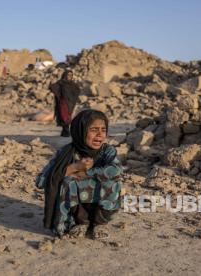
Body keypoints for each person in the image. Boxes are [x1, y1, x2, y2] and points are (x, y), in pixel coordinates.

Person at [35, 109, 122, 239]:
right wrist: (75, 167)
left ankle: (100, 223)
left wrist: (87, 172)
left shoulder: (107, 151)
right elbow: (41, 181)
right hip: (77, 207)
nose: (100, 135)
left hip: (100, 203)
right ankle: (81, 222)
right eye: (93, 130)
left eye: (103, 130)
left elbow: (116, 170)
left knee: (112, 180)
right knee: (68, 182)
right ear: (80, 131)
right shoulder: (66, 153)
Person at [49, 70, 81, 137]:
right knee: (63, 116)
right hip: (63, 103)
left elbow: (77, 91)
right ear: (65, 75)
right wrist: (51, 83)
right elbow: (54, 88)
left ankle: (64, 132)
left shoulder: (73, 84)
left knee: (68, 116)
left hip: (71, 104)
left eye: (71, 75)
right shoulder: (61, 83)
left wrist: (72, 98)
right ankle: (66, 131)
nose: (69, 76)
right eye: (68, 75)